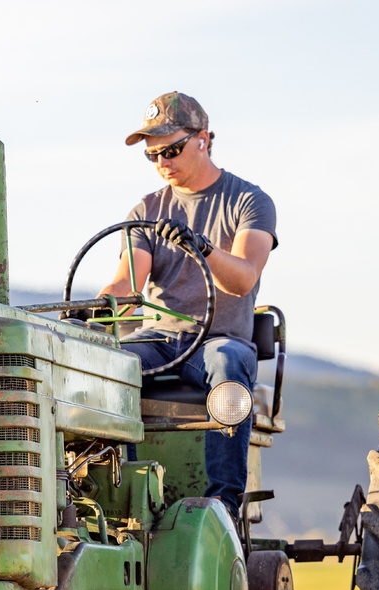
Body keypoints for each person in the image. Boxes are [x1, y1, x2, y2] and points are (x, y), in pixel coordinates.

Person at [98, 91, 277, 519]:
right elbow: (128, 282)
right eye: (153, 155)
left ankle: (222, 504)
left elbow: (243, 279)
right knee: (107, 364)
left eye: (172, 150)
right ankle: (122, 494)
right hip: (161, 340)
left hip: (218, 340)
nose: (163, 162)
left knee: (230, 364)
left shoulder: (248, 202)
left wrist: (203, 248)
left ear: (203, 139)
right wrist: (99, 305)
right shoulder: (148, 209)